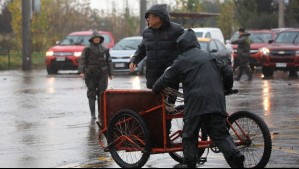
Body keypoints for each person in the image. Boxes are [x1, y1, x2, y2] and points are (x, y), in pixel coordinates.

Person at [152, 29, 244, 168]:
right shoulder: (209, 56)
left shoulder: (181, 60)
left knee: (189, 136)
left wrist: (154, 89)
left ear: (181, 46)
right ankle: (236, 157)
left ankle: (190, 165)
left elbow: (165, 78)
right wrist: (226, 88)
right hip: (216, 102)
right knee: (221, 135)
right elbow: (227, 70)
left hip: (195, 105)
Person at [78, 31, 114, 119]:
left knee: (102, 94)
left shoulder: (105, 49)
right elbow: (82, 60)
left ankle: (100, 113)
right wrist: (82, 72)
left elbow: (109, 61)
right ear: (92, 39)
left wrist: (111, 73)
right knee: (91, 94)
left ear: (101, 39)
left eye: (99, 38)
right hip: (91, 74)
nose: (97, 39)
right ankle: (93, 114)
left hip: (102, 74)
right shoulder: (87, 49)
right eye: (95, 38)